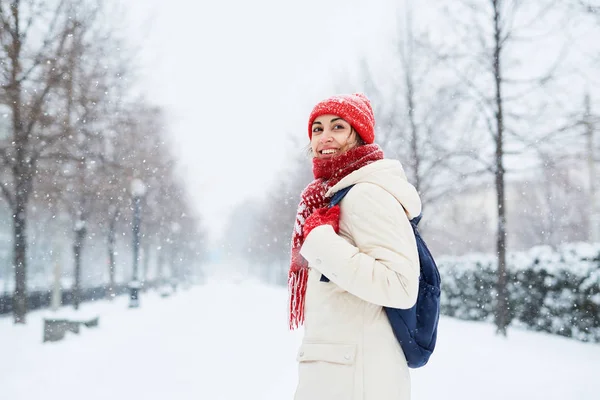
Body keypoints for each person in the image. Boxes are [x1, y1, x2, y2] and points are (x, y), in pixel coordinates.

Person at [288, 93, 422, 400]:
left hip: (357, 380)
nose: (325, 137)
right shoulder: (331, 196)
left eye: (338, 127)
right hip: (339, 375)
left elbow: (401, 286)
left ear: (359, 135)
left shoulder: (365, 195)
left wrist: (320, 241)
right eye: (317, 129)